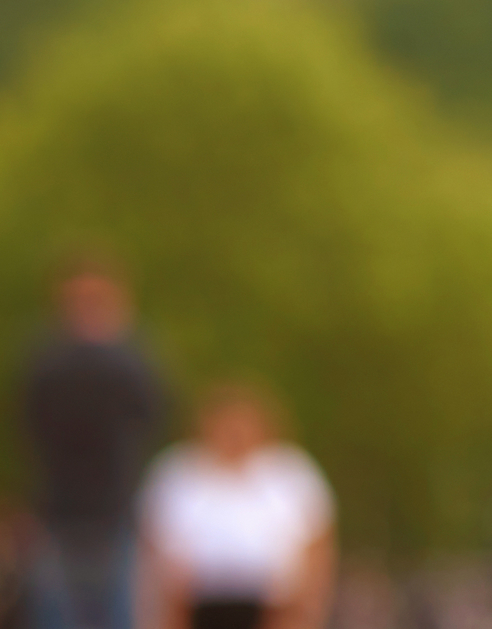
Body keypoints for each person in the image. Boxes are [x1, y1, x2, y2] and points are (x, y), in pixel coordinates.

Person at [15, 258, 161, 629]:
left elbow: (153, 408)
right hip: (59, 511)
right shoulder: (47, 360)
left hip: (116, 510)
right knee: (56, 614)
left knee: (115, 614)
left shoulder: (131, 359)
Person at [135, 386, 330, 629]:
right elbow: (153, 541)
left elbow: (318, 543)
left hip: (272, 605)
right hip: (195, 603)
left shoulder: (291, 474)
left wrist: (308, 606)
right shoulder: (177, 472)